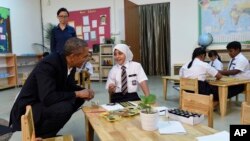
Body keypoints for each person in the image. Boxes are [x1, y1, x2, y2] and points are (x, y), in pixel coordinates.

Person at [9, 37, 95, 138]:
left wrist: (83, 91)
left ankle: (49, 134)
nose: (86, 60)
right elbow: (48, 97)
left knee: (79, 99)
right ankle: (41, 135)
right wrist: (77, 93)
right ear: (73, 56)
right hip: (28, 108)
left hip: (41, 103)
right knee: (64, 107)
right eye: (84, 57)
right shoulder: (48, 64)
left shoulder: (70, 64)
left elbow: (69, 86)